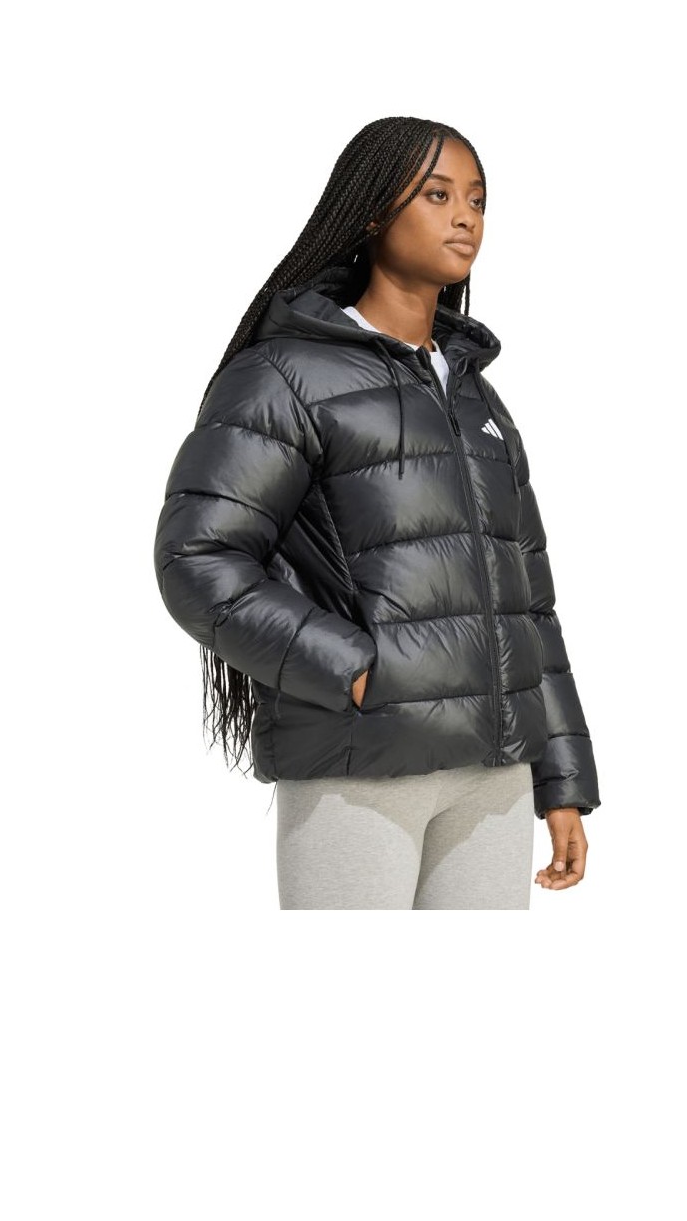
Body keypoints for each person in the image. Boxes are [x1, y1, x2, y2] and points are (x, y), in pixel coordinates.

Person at [153, 115, 601, 909]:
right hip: (359, 768)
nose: (465, 217)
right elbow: (199, 559)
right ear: (371, 211)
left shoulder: (477, 399)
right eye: (437, 195)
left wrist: (560, 777)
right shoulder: (285, 375)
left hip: (494, 776)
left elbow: (531, 603)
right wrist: (357, 671)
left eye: (477, 199)